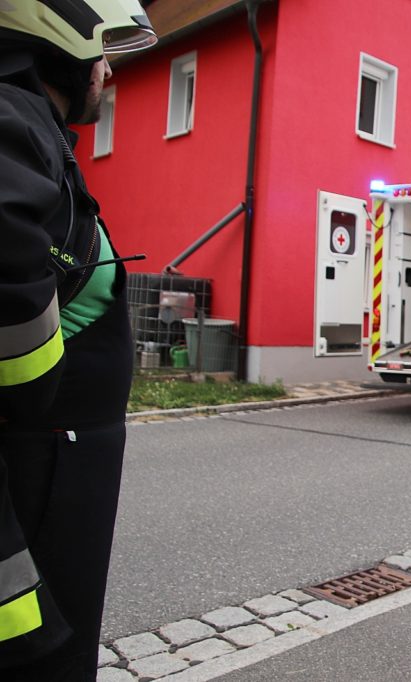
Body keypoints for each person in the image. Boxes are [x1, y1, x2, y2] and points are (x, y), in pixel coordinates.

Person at [0, 3, 156, 679]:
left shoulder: (36, 131)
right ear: (58, 39)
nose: (110, 72)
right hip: (36, 476)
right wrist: (35, 391)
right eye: (103, 55)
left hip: (55, 474)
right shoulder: (14, 121)